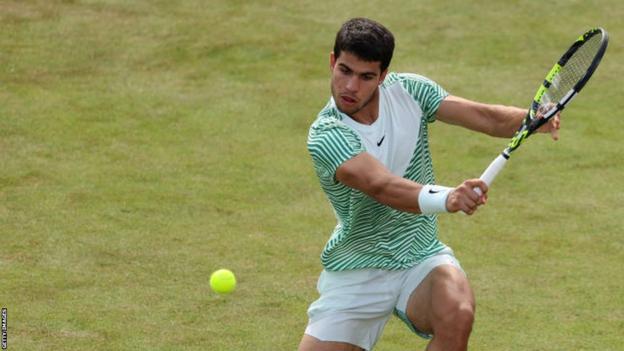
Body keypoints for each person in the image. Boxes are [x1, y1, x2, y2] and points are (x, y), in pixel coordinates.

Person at [299, 18, 561, 351]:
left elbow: (487, 117)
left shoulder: (410, 90)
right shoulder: (326, 135)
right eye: (345, 71)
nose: (351, 87)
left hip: (419, 255)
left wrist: (533, 118)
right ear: (332, 61)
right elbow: (382, 187)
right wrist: (448, 198)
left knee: (457, 311)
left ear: (382, 76)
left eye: (366, 77)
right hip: (358, 268)